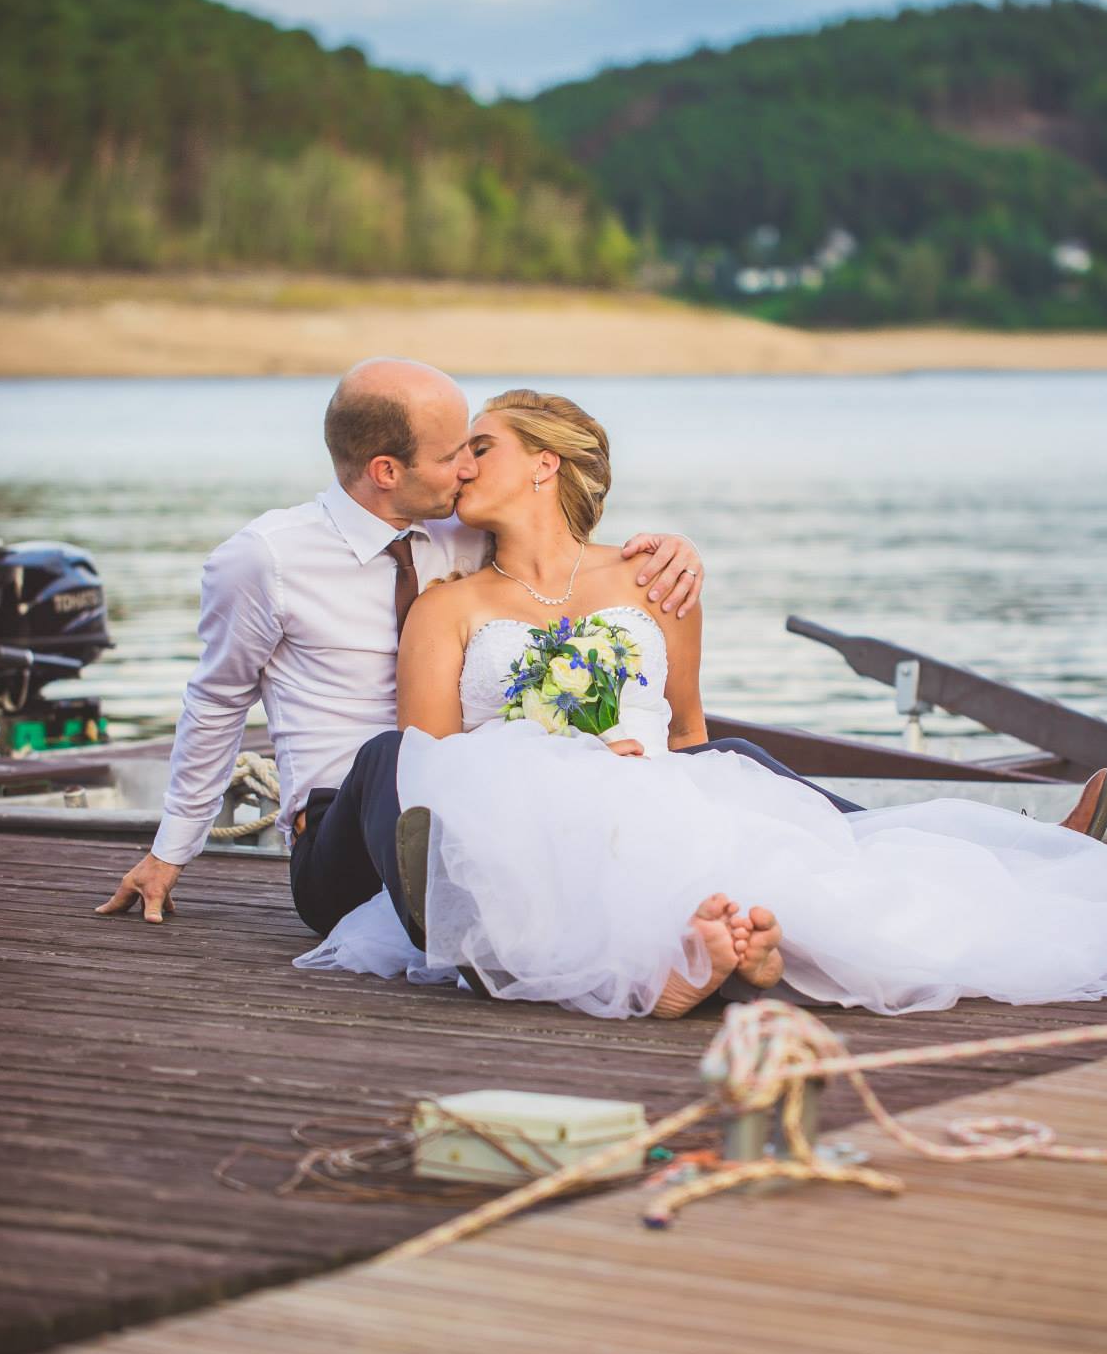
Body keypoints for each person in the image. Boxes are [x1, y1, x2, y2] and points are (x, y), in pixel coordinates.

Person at [299, 388, 1107, 1020]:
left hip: (642, 789)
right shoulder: (450, 603)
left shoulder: (654, 577)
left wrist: (642, 771)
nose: (461, 466)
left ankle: (996, 862)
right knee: (408, 767)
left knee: (752, 792)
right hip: (512, 816)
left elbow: (687, 731)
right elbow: (432, 765)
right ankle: (479, 934)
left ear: (546, 464)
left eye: (482, 447)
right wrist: (568, 761)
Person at [94, 359, 706, 935]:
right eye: (454, 454)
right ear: (387, 471)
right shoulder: (267, 559)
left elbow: (555, 556)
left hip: (490, 816)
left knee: (731, 760)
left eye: (475, 449)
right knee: (391, 756)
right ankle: (458, 929)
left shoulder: (466, 530)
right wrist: (170, 852)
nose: (467, 469)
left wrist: (674, 551)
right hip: (343, 834)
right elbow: (216, 701)